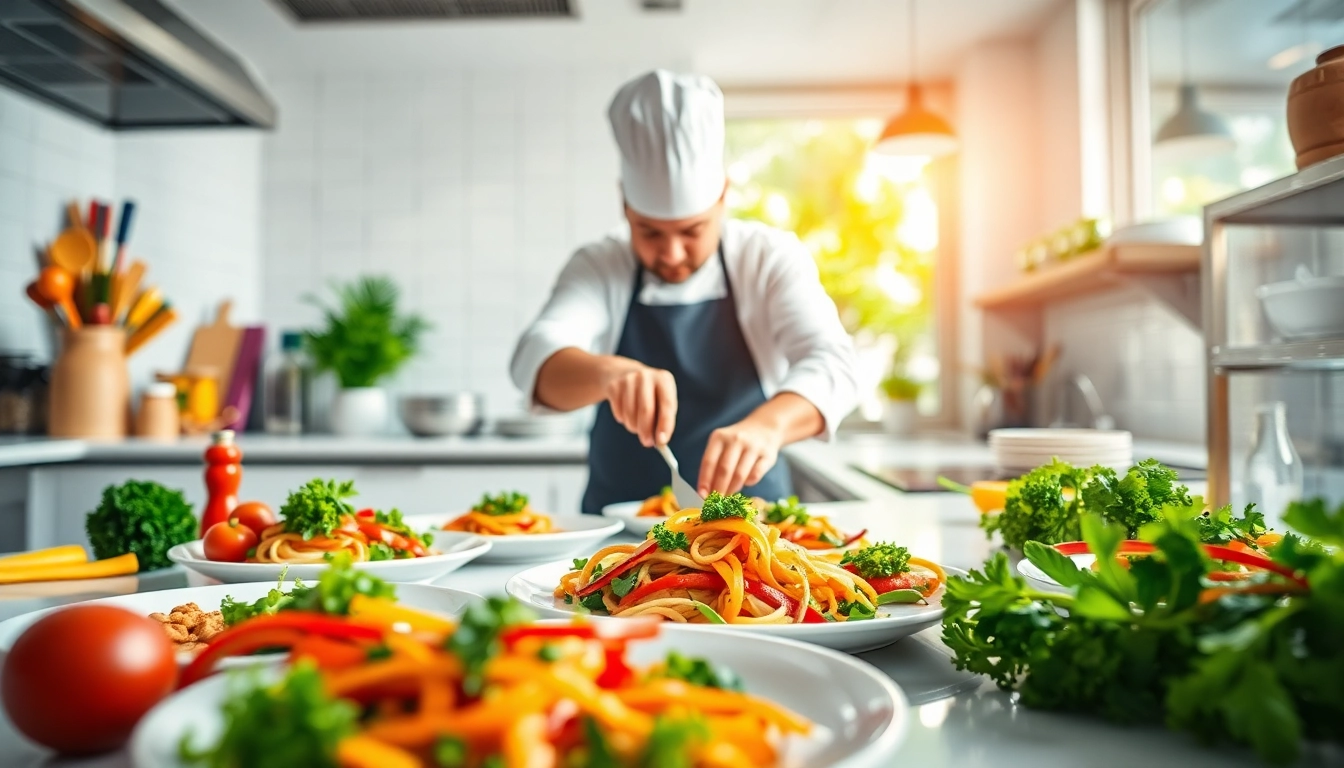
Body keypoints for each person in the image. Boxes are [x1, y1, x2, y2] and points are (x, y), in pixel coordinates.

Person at [510, 69, 857, 515]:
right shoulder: (600, 264)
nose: (672, 253)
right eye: (650, 232)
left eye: (692, 230)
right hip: (619, 532)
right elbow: (534, 358)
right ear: (625, 205)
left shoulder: (767, 257)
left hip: (753, 525)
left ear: (723, 197)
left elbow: (833, 363)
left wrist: (768, 427)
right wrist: (608, 375)